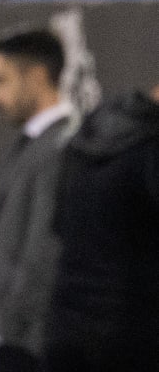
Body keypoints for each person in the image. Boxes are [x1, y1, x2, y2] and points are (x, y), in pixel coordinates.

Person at [0, 29, 77, 372]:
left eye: (2, 81)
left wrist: (5, 325)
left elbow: (45, 249)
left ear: (37, 77)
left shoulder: (61, 147)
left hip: (25, 345)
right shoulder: (37, 143)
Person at [42, 82, 159, 372]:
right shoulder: (150, 147)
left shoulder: (88, 133)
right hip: (133, 337)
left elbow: (58, 224)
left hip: (67, 329)